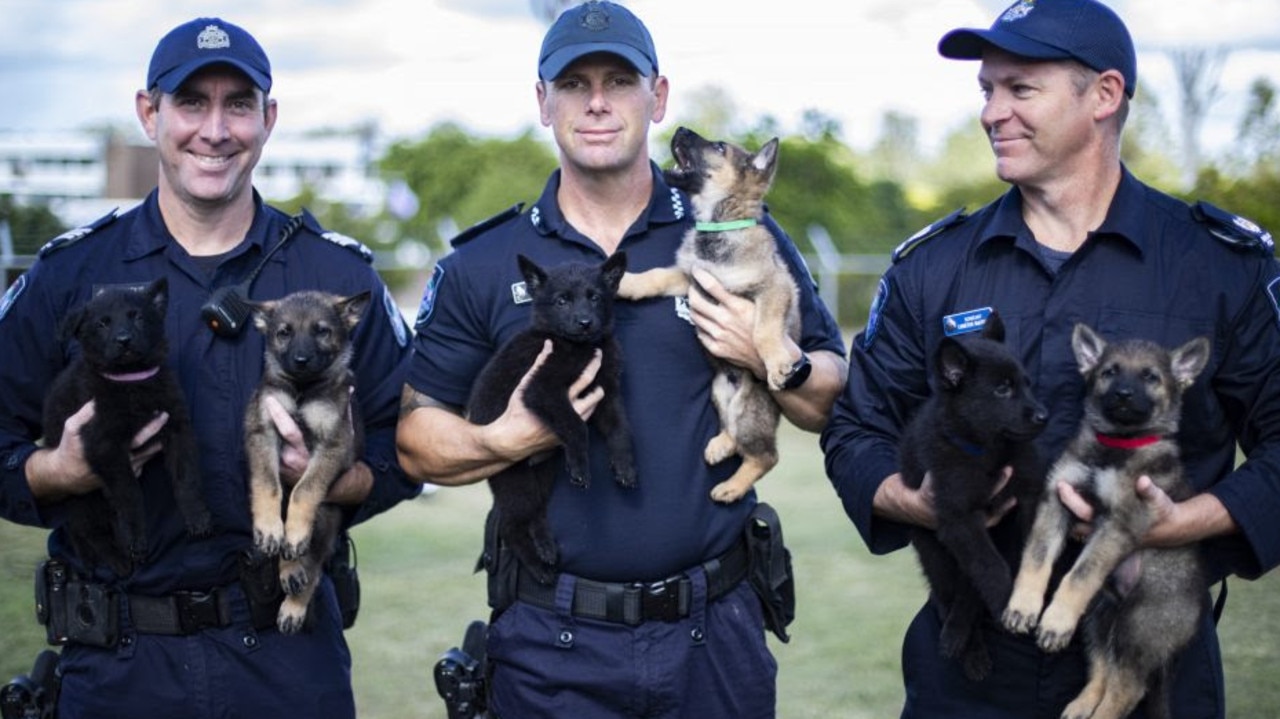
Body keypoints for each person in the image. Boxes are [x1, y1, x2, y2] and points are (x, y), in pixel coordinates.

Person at [820, 0, 1280, 717]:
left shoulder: (1215, 265)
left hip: (1148, 660)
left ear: (1103, 95)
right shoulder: (933, 267)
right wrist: (909, 498)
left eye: (1019, 88)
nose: (992, 112)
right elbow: (855, 431)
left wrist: (1183, 523)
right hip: (970, 667)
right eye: (986, 90)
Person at [396, 2, 846, 716]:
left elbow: (830, 396)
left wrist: (767, 352)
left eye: (619, 80)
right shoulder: (483, 263)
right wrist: (497, 439)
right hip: (552, 643)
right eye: (574, 84)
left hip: (715, 632)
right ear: (543, 102)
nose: (598, 102)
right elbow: (415, 440)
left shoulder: (731, 231)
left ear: (658, 96)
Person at [0, 17, 418, 718]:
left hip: (286, 661)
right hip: (119, 664)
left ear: (269, 118)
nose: (215, 130)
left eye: (239, 104)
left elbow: (406, 447)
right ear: (149, 112)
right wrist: (55, 471)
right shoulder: (70, 273)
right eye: (192, 102)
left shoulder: (336, 273)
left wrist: (333, 476)